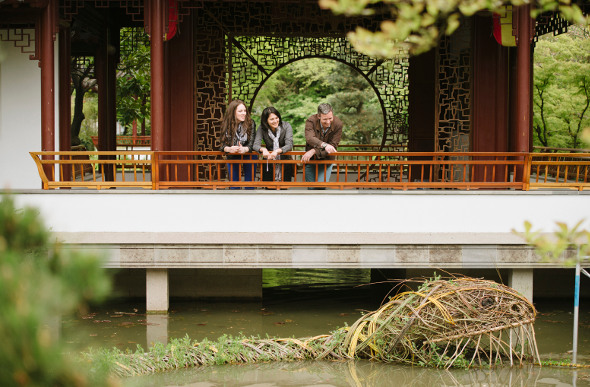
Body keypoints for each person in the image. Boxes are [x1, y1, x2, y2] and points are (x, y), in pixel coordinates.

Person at [301, 103, 343, 189]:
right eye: (325, 119)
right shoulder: (311, 121)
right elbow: (310, 138)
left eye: (330, 118)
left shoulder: (338, 124)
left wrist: (314, 151)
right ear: (318, 116)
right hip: (311, 160)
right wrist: (324, 145)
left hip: (327, 159)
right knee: (311, 187)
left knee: (321, 187)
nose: (328, 122)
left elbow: (333, 146)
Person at [219, 99, 257, 189]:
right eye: (240, 111)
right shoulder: (225, 124)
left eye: (244, 110)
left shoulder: (251, 123)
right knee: (234, 185)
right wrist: (229, 149)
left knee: (249, 185)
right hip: (233, 155)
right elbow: (221, 146)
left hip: (248, 154)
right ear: (233, 112)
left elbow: (252, 143)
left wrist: (245, 149)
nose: (244, 113)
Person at [253, 106, 294, 183]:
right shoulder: (262, 128)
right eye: (272, 119)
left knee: (284, 189)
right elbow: (255, 145)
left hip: (285, 161)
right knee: (269, 189)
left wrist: (278, 151)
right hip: (269, 162)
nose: (275, 121)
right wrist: (263, 149)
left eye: (276, 118)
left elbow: (289, 144)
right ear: (266, 121)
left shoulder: (286, 126)